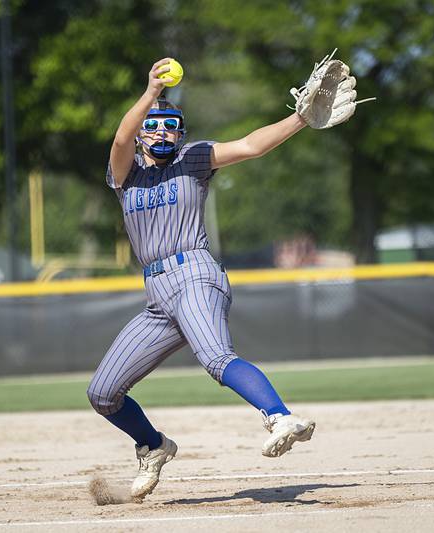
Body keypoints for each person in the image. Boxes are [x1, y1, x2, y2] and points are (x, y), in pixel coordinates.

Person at [87, 58, 315, 501]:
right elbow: (119, 137)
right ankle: (153, 446)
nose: (164, 133)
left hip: (195, 274)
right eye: (155, 125)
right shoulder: (124, 175)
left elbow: (250, 146)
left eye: (172, 126)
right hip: (157, 295)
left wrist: (300, 119)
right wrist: (150, 92)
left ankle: (278, 415)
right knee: (103, 392)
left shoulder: (193, 160)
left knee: (215, 357)